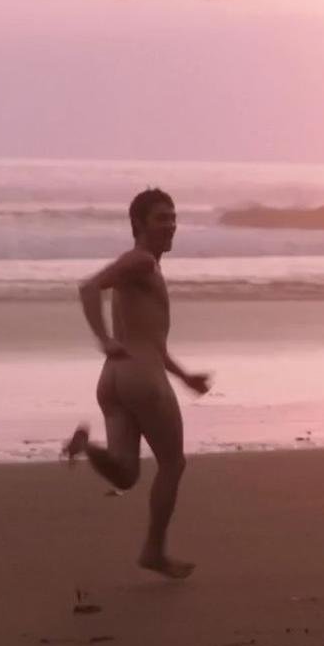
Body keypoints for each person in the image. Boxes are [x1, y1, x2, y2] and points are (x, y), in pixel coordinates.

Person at [63, 187, 211, 579]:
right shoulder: (141, 261)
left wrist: (185, 377)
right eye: (161, 218)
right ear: (138, 224)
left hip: (115, 379)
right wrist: (103, 338)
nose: (171, 225)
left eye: (173, 217)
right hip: (141, 379)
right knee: (173, 463)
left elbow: (153, 343)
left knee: (126, 474)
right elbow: (88, 288)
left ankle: (87, 446)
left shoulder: (145, 267)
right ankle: (153, 550)